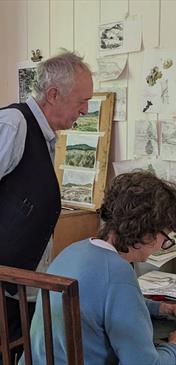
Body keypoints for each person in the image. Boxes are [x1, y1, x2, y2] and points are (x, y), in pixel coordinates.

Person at [24, 171, 176, 364]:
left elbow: (104, 306)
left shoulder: (72, 252)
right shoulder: (118, 276)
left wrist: (167, 309)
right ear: (147, 231)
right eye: (167, 237)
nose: (164, 245)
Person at [0, 51, 93, 360]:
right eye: (82, 100)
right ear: (54, 94)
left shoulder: (45, 136)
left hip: (18, 286)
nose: (86, 109)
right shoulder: (14, 124)